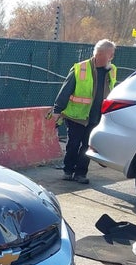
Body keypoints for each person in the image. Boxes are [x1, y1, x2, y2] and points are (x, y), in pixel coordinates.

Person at [50, 39, 117, 184]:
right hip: (77, 116)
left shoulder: (112, 70)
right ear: (101, 54)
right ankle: (68, 170)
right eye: (111, 54)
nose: (112, 58)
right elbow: (66, 90)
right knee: (73, 145)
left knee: (87, 147)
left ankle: (81, 173)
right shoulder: (80, 68)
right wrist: (57, 110)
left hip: (97, 117)